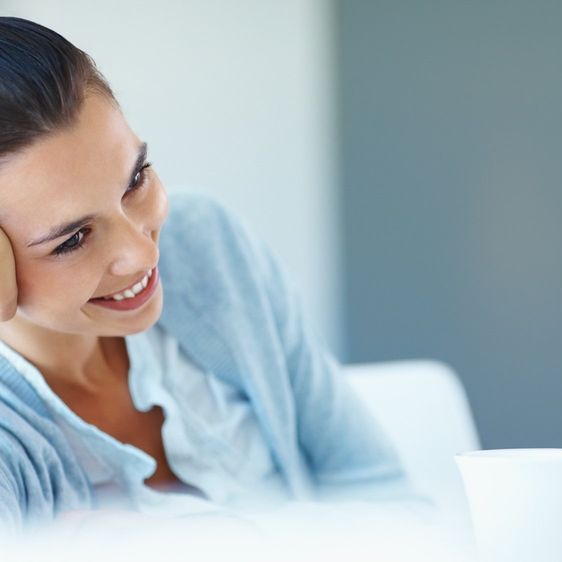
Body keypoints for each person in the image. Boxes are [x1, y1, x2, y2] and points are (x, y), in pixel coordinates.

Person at [0, 16, 412, 530]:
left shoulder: (207, 247)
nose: (144, 255)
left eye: (135, 181)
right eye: (73, 239)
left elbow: (394, 504)